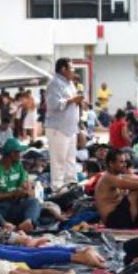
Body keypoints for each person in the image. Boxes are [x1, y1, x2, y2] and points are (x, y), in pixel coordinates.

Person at [0, 138, 41, 232]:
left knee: (34, 202)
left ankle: (27, 222)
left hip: (15, 205)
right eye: (18, 152)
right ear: (12, 154)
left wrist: (27, 191)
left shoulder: (18, 165)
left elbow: (25, 186)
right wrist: (12, 194)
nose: (21, 155)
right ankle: (5, 224)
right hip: (0, 207)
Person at [46, 58, 85, 191]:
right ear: (63, 69)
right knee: (58, 162)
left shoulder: (70, 83)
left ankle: (71, 186)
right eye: (72, 68)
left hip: (70, 128)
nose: (73, 71)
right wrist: (72, 100)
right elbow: (53, 104)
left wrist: (78, 102)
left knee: (70, 160)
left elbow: (72, 103)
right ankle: (57, 188)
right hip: (58, 128)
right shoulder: (54, 83)